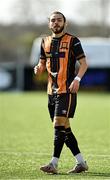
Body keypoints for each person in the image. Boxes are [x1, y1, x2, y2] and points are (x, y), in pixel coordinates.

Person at [34, 11, 88, 174]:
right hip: (51, 92)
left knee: (58, 127)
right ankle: (81, 163)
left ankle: (53, 163)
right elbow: (42, 63)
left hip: (67, 91)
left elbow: (84, 64)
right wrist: (39, 68)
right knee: (64, 129)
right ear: (49, 24)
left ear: (65, 23)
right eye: (53, 20)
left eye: (59, 20)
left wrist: (77, 80)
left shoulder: (73, 41)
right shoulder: (45, 41)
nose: (56, 23)